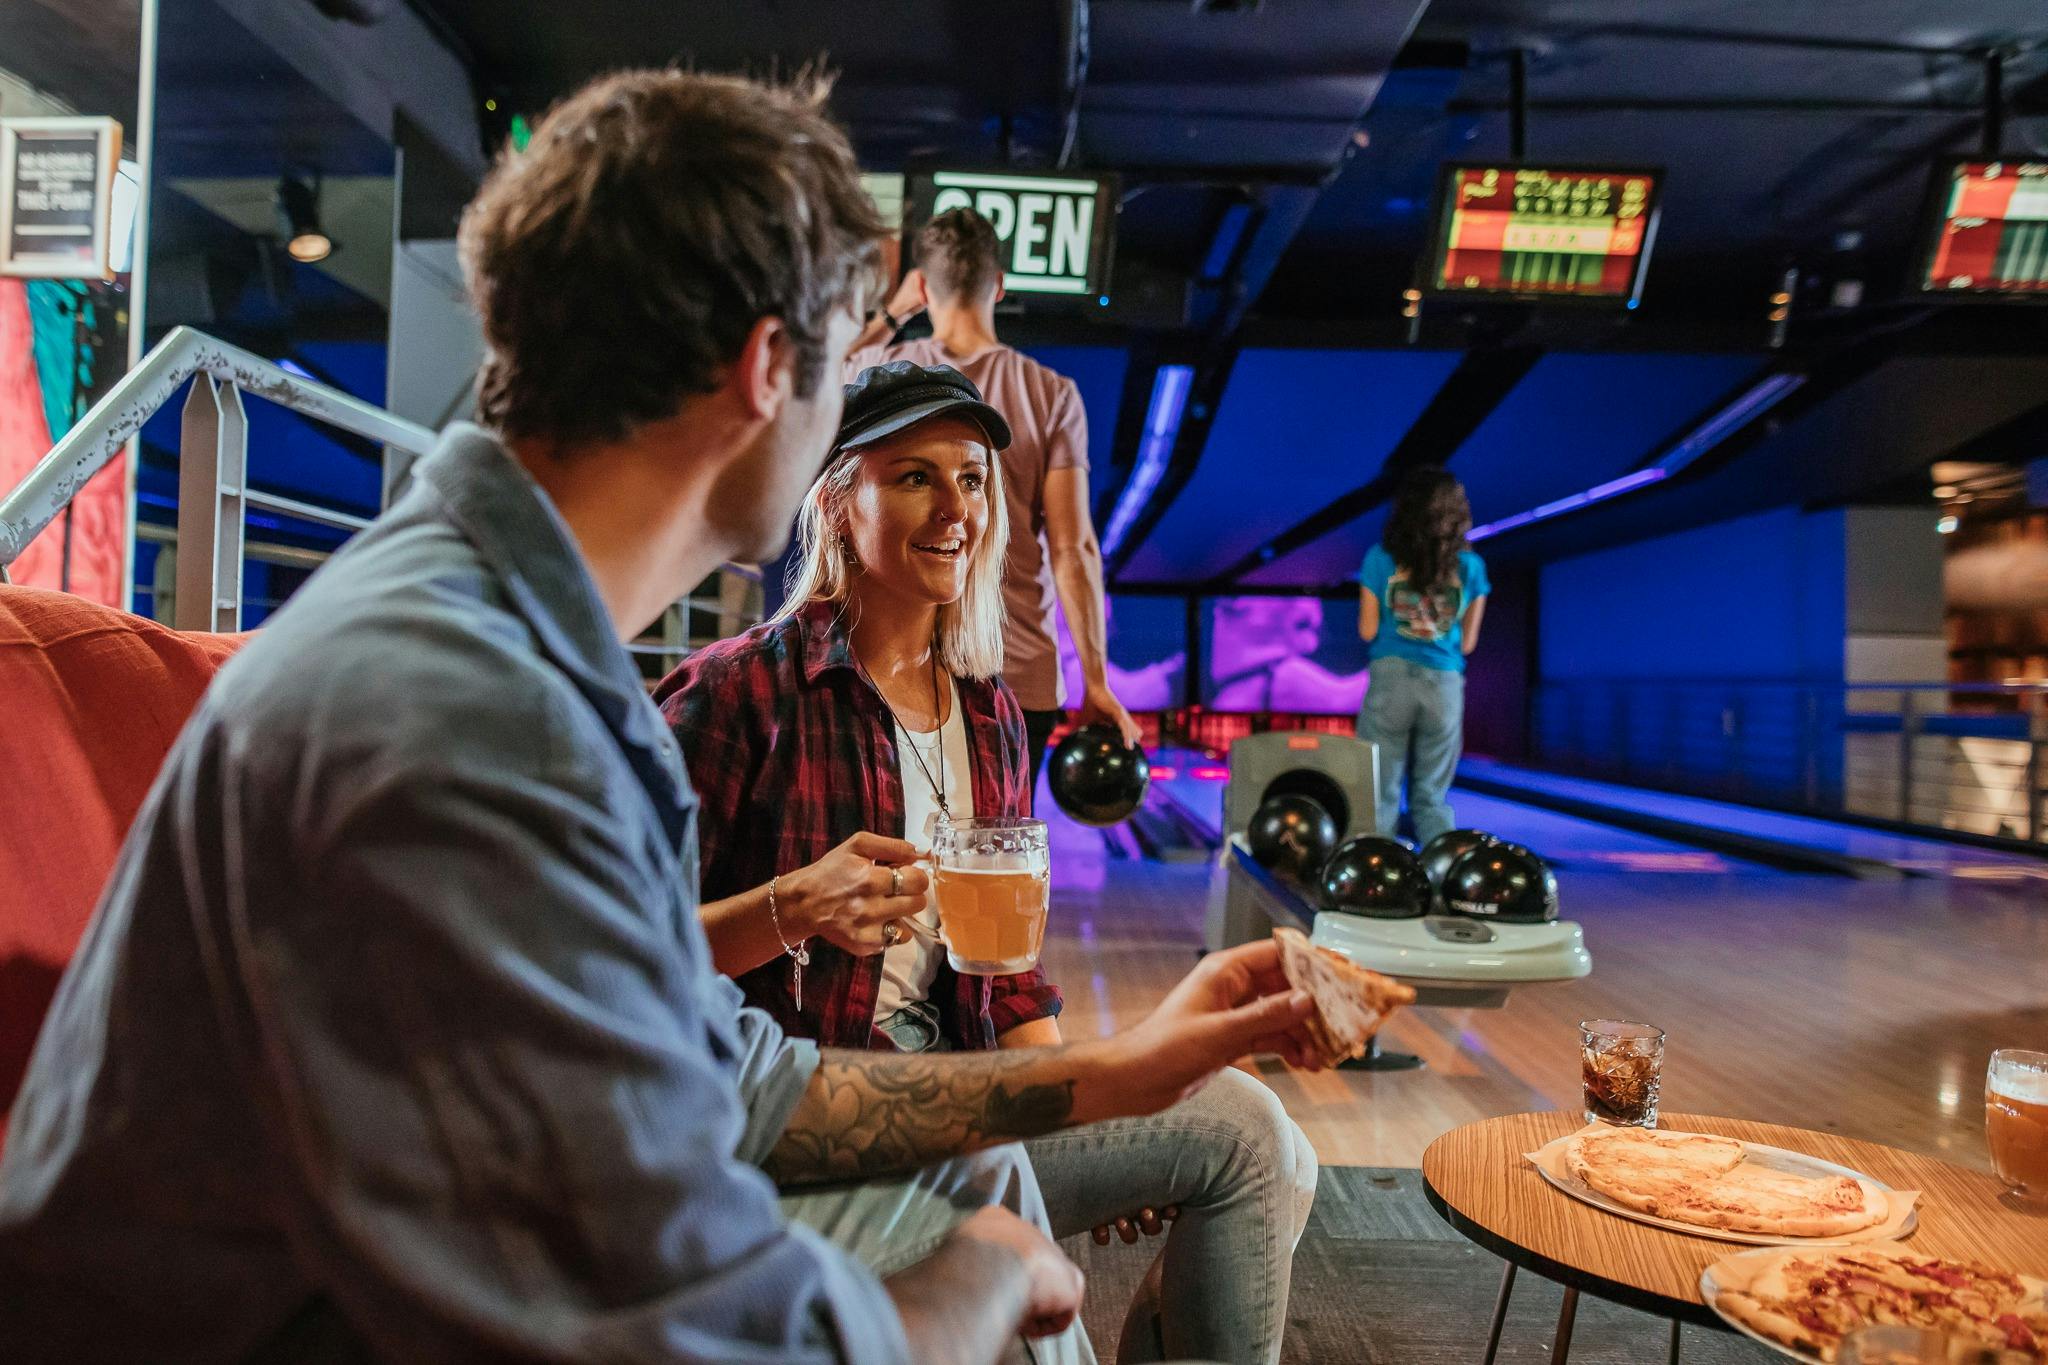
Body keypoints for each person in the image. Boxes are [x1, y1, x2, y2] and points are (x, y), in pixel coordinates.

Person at [0, 70, 1325, 1365]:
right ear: (767, 372)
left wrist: (1128, 1070)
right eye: (848, 355)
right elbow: (687, 1323)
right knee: (974, 1234)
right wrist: (977, 1277)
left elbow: (737, 1082)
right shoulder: (464, 711)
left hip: (386, 1271)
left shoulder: (522, 648)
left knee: (980, 1183)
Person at [660, 360, 1319, 1362]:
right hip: (823, 1126)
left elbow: (1007, 987)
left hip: (974, 1099)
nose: (954, 507)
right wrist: (788, 908)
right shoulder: (737, 696)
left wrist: (1096, 1091)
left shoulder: (991, 712)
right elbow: (629, 971)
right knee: (1239, 1144)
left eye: (970, 479)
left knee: (1263, 1137)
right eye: (912, 476)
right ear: (839, 502)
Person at [848, 207, 1142, 797]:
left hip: (896, 654)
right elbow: (1074, 546)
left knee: (888, 847)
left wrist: (893, 312)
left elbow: (818, 373)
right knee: (996, 855)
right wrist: (1096, 679)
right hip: (1017, 668)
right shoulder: (1054, 394)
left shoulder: (885, 371)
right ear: (1000, 288)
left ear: (925, 286)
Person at [1356, 466, 1490, 847]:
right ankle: (1442, 873)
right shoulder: (1472, 568)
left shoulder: (1379, 558)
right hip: (1443, 683)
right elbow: (1467, 643)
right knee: (1431, 798)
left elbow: (1367, 630)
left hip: (1390, 681)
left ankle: (1376, 875)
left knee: (1380, 793)